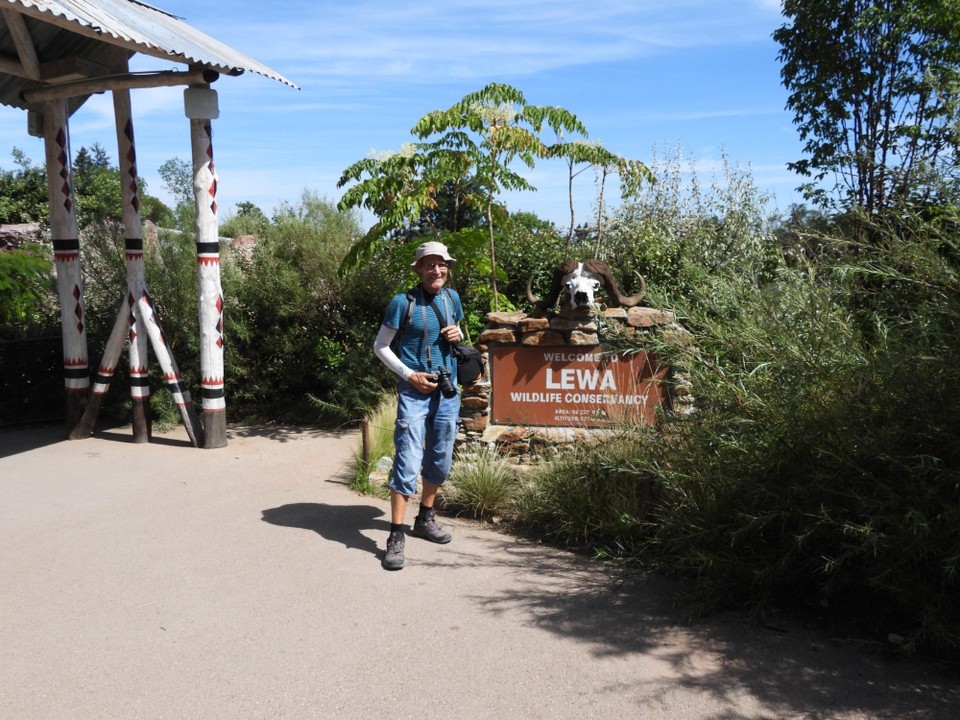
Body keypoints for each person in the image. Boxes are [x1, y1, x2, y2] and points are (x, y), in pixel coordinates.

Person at [373, 241, 465, 570]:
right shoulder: (402, 302)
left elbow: (457, 334)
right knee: (408, 459)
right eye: (429, 265)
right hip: (414, 391)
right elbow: (381, 346)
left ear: (447, 268)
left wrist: (457, 334)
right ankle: (396, 534)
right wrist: (410, 375)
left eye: (441, 264)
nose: (436, 270)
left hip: (447, 391)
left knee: (440, 457)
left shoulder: (452, 298)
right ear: (419, 269)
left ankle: (425, 518)